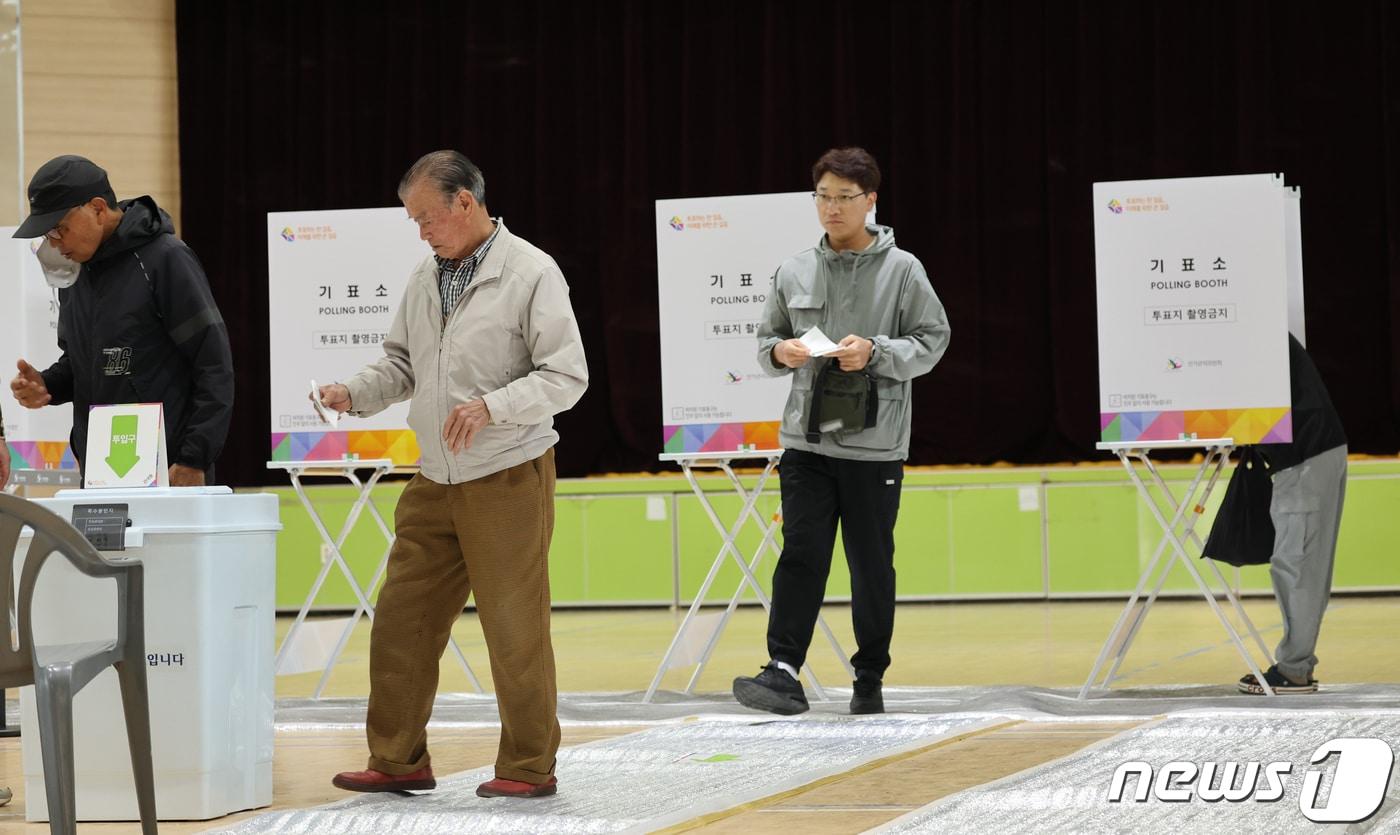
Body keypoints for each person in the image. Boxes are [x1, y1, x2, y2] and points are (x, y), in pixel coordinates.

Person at [321, 151, 588, 798]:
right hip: (432, 478)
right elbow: (401, 364)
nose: (420, 231)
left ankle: (528, 765)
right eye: (413, 220)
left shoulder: (531, 272)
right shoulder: (423, 278)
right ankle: (397, 757)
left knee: (513, 628)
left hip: (507, 473)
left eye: (426, 217)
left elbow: (566, 375)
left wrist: (494, 406)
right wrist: (352, 392)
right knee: (400, 620)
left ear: (465, 202)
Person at [733, 147, 950, 716]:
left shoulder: (903, 270)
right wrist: (780, 351)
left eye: (845, 198)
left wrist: (876, 351)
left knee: (871, 562)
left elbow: (933, 340)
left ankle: (869, 674)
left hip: (874, 445)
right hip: (806, 440)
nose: (832, 208)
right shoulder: (793, 269)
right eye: (823, 196)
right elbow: (766, 342)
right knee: (801, 553)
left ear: (870, 201)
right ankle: (782, 670)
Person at [8, 155, 233, 485]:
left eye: (60, 228)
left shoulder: (165, 259)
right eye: (47, 234)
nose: (55, 243)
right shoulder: (75, 273)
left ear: (98, 209)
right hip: (101, 469)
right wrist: (46, 385)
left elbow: (213, 364)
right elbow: (83, 363)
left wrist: (193, 458)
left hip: (171, 469)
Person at [1238, 334, 1347, 695]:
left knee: (1297, 565)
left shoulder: (1251, 335)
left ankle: (1294, 669)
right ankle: (1296, 665)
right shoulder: (1257, 331)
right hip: (1310, 454)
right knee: (1301, 564)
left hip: (1306, 458)